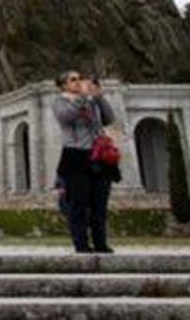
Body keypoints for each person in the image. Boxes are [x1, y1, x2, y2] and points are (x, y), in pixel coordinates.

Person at [51, 71, 117, 253]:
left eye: (80, 78)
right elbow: (66, 117)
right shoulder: (60, 102)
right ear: (64, 85)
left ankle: (101, 243)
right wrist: (83, 98)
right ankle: (81, 244)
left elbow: (109, 119)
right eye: (73, 79)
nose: (79, 82)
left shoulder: (91, 101)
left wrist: (99, 97)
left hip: (98, 155)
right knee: (78, 204)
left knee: (99, 203)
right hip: (75, 155)